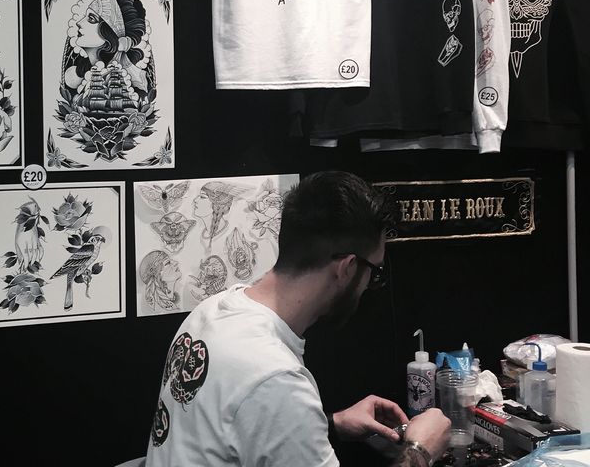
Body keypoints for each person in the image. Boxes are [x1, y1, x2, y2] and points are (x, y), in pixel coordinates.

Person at [146, 171, 451, 467]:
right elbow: (270, 398)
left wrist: (327, 424)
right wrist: (420, 450)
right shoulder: (276, 379)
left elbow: (235, 435)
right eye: (375, 272)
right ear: (346, 269)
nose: (370, 285)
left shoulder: (211, 312)